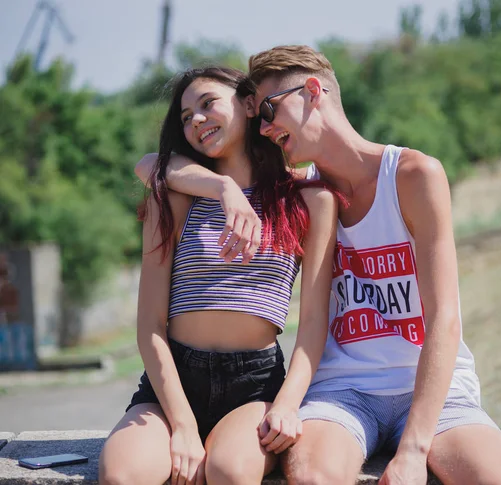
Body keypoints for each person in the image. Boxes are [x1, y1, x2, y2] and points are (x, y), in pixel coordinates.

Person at [135, 46, 501, 485]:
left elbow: (446, 320)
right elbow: (152, 166)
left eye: (268, 109)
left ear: (313, 92)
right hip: (341, 392)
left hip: (435, 390)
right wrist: (223, 186)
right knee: (311, 476)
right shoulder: (304, 194)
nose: (264, 127)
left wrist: (414, 449)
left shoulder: (413, 175)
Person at [99, 66, 337, 485]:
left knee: (228, 470)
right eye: (186, 117)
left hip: (255, 383)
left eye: (208, 104)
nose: (196, 120)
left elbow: (314, 323)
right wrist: (184, 425)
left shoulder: (305, 200)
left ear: (248, 105)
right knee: (123, 475)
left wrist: (287, 404)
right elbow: (149, 326)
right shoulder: (173, 197)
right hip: (174, 380)